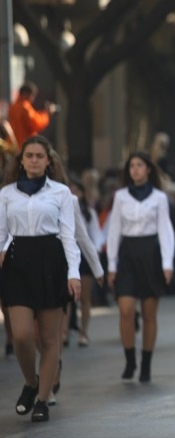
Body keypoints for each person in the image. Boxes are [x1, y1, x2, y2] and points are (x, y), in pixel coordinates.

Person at [0, 135, 81, 422]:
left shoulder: (61, 193)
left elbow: (69, 235)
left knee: (48, 339)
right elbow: (0, 235)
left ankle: (43, 400)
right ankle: (31, 383)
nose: (34, 160)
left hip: (51, 260)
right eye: (29, 155)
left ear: (48, 161)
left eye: (39, 156)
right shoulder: (6, 194)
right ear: (21, 160)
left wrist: (74, 274)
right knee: (21, 335)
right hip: (17, 261)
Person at [106, 151, 175, 382]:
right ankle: (130, 359)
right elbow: (113, 230)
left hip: (150, 254)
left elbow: (166, 231)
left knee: (148, 313)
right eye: (132, 166)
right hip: (127, 254)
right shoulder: (121, 197)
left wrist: (167, 263)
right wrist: (111, 264)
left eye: (140, 165)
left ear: (148, 169)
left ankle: (146, 363)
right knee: (126, 310)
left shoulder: (159, 198)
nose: (135, 169)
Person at [66, 180, 105, 348]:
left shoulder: (89, 212)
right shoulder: (61, 208)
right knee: (66, 298)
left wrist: (95, 256)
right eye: (71, 190)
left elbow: (94, 235)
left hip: (84, 256)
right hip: (67, 254)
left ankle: (83, 332)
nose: (74, 193)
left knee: (84, 298)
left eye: (77, 190)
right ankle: (64, 332)